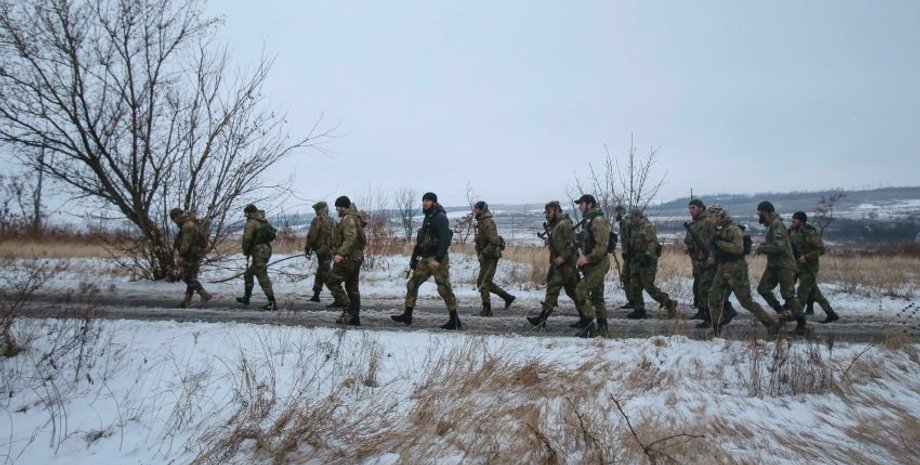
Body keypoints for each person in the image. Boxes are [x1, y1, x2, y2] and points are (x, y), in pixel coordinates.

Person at [706, 204, 780, 336]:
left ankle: (770, 324)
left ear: (718, 216)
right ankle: (716, 327)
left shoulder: (732, 229)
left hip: (736, 269)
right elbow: (715, 247)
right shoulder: (718, 229)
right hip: (723, 267)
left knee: (746, 301)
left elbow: (738, 249)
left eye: (710, 217)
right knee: (714, 297)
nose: (708, 219)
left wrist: (719, 243)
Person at [391, 192, 461, 329]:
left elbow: (446, 239)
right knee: (412, 284)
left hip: (437, 259)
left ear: (434, 202)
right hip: (425, 258)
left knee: (444, 288)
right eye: (423, 200)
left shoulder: (440, 217)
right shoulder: (428, 217)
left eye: (427, 201)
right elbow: (421, 240)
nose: (424, 203)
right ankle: (407, 315)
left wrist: (439, 259)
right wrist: (414, 259)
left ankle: (455, 320)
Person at [754, 201, 808, 335]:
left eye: (759, 211)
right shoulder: (772, 225)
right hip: (774, 266)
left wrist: (763, 248)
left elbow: (779, 246)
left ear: (765, 211)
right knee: (763, 289)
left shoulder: (777, 224)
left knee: (788, 295)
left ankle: (802, 323)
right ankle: (781, 311)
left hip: (784, 266)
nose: (758, 214)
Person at [527, 201, 581, 328]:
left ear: (557, 211)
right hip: (559, 264)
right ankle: (586, 317)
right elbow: (559, 241)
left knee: (553, 290)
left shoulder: (565, 224)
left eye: (549, 212)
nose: (547, 215)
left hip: (565, 265)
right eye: (546, 213)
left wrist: (563, 257)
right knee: (574, 292)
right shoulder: (556, 226)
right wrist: (549, 241)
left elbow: (572, 243)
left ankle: (542, 319)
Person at [625, 208, 677, 319]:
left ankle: (669, 303)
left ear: (638, 216)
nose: (630, 220)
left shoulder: (647, 227)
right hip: (636, 260)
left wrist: (647, 255)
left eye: (632, 218)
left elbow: (653, 243)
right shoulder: (633, 227)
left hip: (647, 261)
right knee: (635, 285)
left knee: (648, 286)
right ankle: (639, 310)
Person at [570, 194, 611, 337]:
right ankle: (603, 327)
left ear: (589, 204)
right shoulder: (590, 220)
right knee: (598, 296)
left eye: (581, 204)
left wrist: (587, 258)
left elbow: (602, 245)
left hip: (598, 263)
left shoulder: (598, 220)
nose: (579, 207)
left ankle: (589, 327)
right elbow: (586, 239)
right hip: (594, 263)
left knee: (580, 290)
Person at [789, 211, 839, 324]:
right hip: (798, 267)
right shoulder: (792, 232)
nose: (793, 222)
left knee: (802, 291)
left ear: (801, 221)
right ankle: (831, 314)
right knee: (815, 293)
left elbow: (821, 249)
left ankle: (797, 315)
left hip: (809, 268)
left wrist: (807, 257)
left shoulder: (810, 233)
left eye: (795, 220)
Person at [325, 196, 366, 326]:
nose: (337, 210)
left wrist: (340, 254)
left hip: (348, 258)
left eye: (337, 207)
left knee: (331, 281)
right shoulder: (354, 217)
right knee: (352, 287)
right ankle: (354, 318)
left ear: (343, 207)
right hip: (356, 257)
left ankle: (349, 312)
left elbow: (351, 239)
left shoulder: (348, 219)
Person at [473, 201, 515, 316]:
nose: (474, 211)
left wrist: (484, 253)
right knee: (481, 282)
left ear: (482, 210)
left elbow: (494, 242)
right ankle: (507, 297)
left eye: (476, 209)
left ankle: (487, 310)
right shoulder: (481, 222)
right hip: (486, 257)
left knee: (484, 283)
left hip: (491, 257)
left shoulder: (488, 223)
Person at [236, 204, 276, 311]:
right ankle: (246, 298)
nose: (245, 215)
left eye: (246, 213)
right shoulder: (262, 221)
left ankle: (272, 303)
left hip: (259, 252)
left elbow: (247, 238)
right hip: (265, 249)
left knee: (262, 277)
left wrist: (245, 250)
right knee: (248, 274)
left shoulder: (251, 223)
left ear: (249, 213)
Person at [170, 208, 212, 308]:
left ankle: (204, 294)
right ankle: (187, 300)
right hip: (194, 253)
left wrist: (181, 255)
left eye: (174, 219)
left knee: (187, 277)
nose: (174, 221)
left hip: (191, 254)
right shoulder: (189, 222)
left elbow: (186, 242)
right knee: (191, 277)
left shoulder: (187, 225)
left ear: (177, 216)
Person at [304, 201, 335, 303]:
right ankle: (316, 294)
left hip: (322, 251)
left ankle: (339, 297)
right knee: (320, 272)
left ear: (319, 210)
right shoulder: (333, 221)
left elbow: (311, 237)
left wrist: (307, 248)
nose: (315, 212)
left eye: (316, 210)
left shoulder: (317, 220)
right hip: (331, 251)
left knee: (326, 273)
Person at [613, 205, 633, 309]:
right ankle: (632, 300)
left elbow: (630, 239)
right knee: (626, 277)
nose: (614, 215)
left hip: (631, 255)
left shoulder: (626, 223)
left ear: (620, 213)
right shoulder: (623, 223)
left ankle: (634, 301)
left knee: (629, 278)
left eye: (616, 213)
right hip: (628, 255)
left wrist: (627, 251)